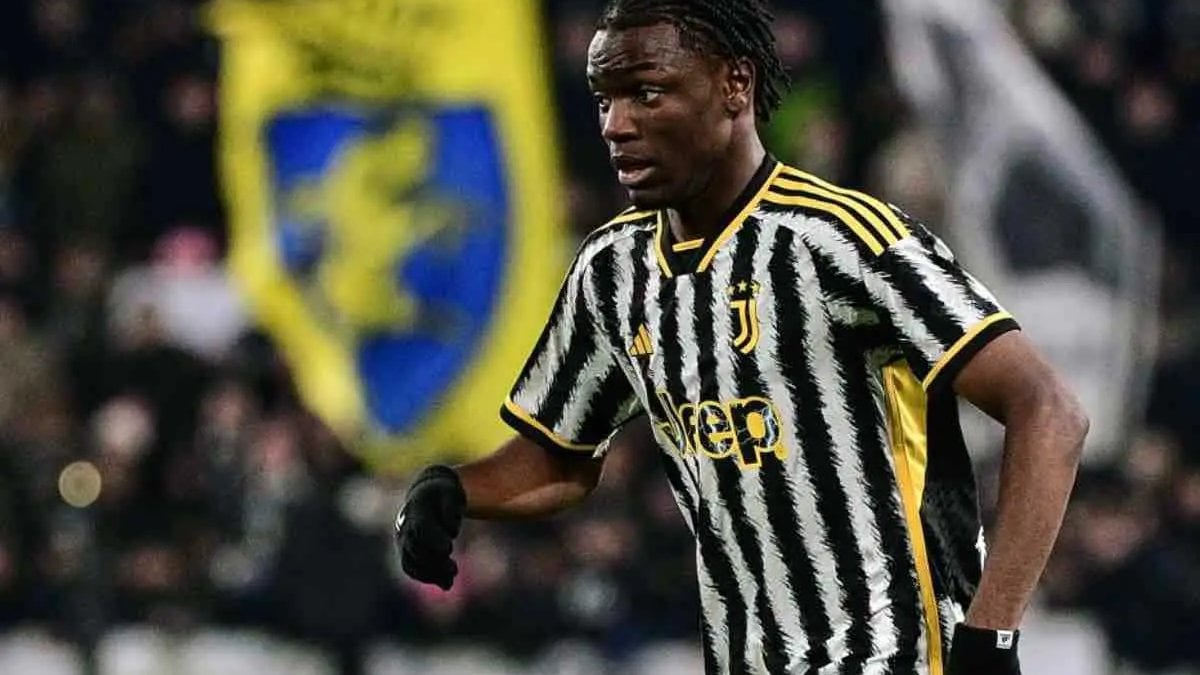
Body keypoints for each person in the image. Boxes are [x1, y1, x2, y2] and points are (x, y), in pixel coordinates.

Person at [394, 1, 1088, 673]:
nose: (616, 124)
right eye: (605, 99)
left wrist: (991, 631)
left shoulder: (844, 241)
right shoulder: (612, 270)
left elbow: (1050, 410)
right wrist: (453, 489)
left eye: (646, 93)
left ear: (735, 85)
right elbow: (559, 457)